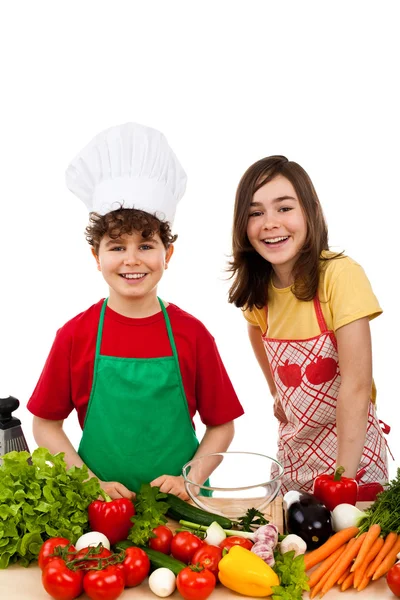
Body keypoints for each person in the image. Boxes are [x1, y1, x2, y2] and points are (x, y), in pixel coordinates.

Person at [28, 123, 243, 500]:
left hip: (183, 511)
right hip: (97, 510)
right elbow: (46, 424)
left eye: (146, 245)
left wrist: (189, 477)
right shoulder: (75, 335)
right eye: (116, 247)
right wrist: (88, 484)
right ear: (96, 257)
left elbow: (221, 425)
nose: (131, 260)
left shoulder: (192, 334)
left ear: (167, 254)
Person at [228, 155, 389, 495]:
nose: (270, 223)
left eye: (284, 208)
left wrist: (341, 480)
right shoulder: (259, 287)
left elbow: (356, 388)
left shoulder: (340, 275)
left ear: (311, 211)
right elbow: (255, 328)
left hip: (352, 455)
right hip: (296, 455)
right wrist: (275, 389)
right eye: (256, 213)